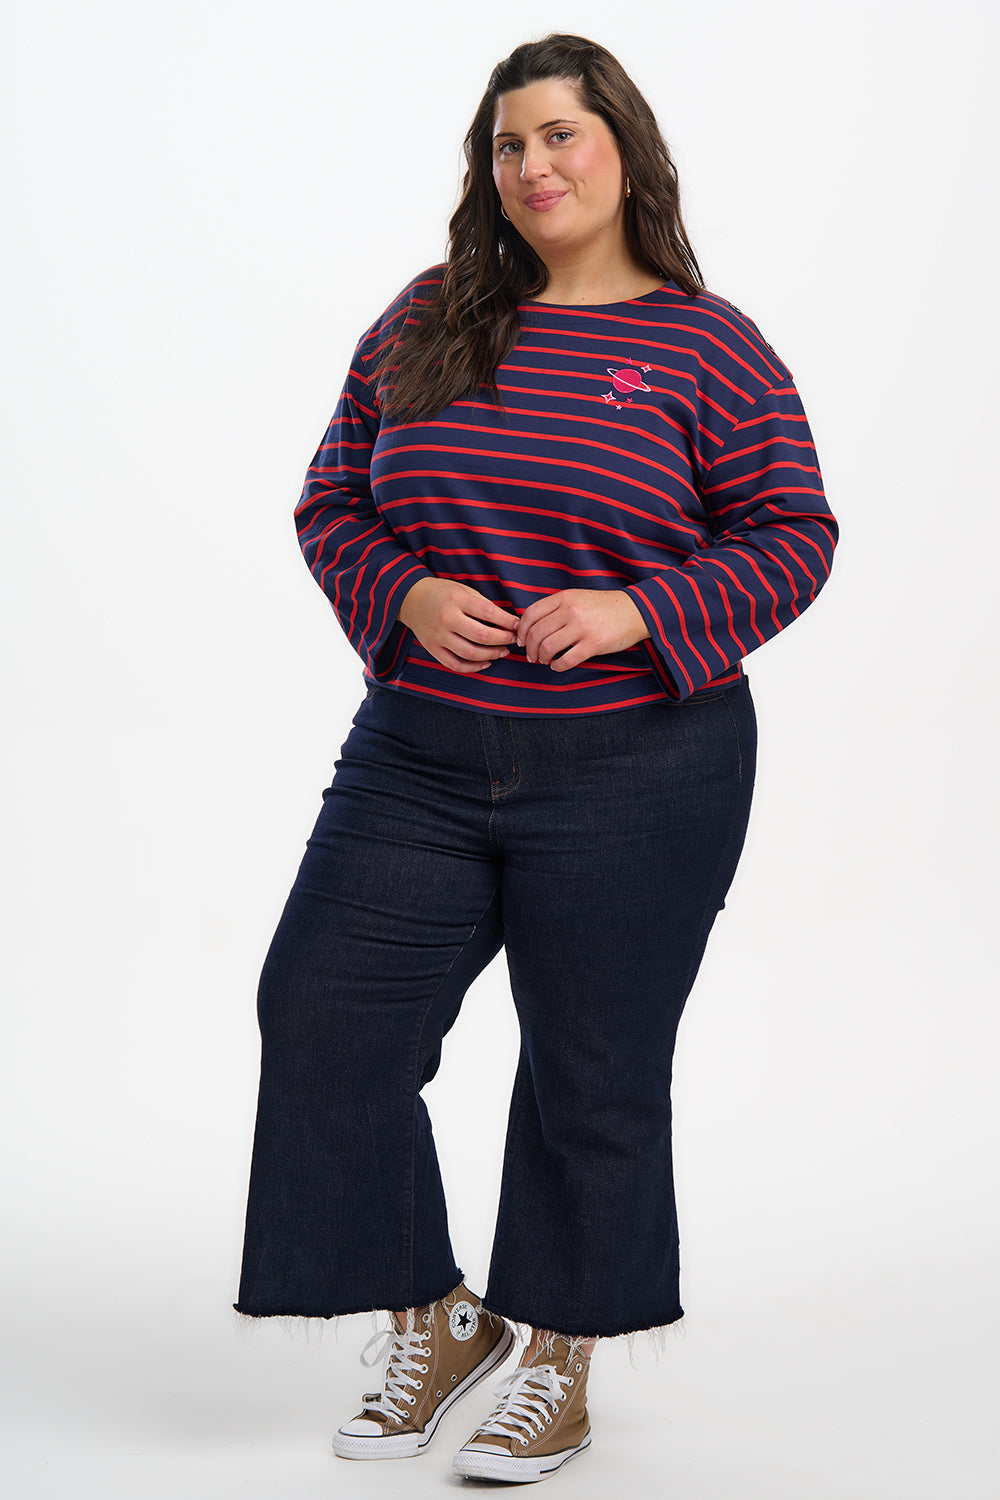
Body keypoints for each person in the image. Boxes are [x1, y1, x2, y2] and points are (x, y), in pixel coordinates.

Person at [234, 32, 837, 1484]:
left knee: (591, 1070)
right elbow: (331, 499)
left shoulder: (708, 344)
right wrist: (406, 595)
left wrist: (641, 607)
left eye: (561, 136)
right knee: (321, 1017)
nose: (534, 166)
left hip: (644, 768)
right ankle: (437, 1319)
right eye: (508, 145)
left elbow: (795, 533)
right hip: (422, 758)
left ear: (625, 149)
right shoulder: (432, 317)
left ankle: (554, 1354)